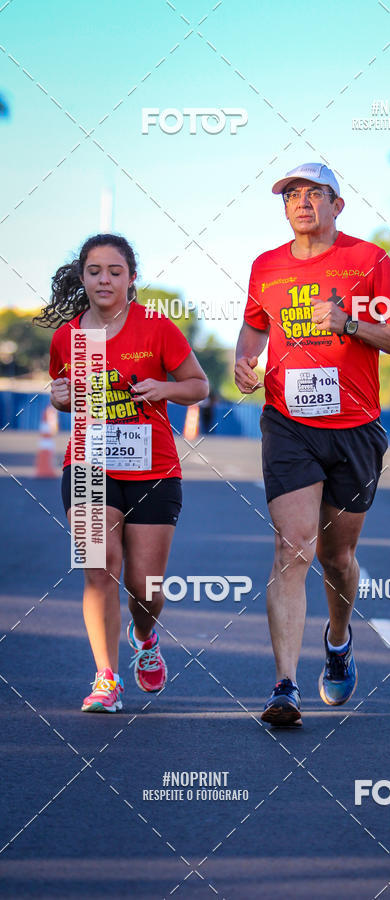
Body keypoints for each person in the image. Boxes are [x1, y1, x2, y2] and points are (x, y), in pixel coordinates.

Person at [235, 162, 390, 726]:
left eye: (314, 193)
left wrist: (348, 324)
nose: (302, 202)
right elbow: (254, 325)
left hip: (356, 428)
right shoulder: (265, 266)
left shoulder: (371, 261)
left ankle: (338, 640)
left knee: (336, 557)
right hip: (288, 423)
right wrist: (245, 361)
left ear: (338, 204)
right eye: (291, 194)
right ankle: (284, 686)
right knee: (293, 548)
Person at [35, 234, 209, 713]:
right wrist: (60, 397)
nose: (104, 279)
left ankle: (146, 634)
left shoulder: (156, 328)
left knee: (145, 585)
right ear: (82, 277)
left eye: (115, 271)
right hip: (89, 465)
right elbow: (60, 388)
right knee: (99, 568)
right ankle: (106, 678)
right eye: (94, 271)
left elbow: (199, 385)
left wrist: (164, 388)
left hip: (152, 468)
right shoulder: (67, 336)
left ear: (132, 278)